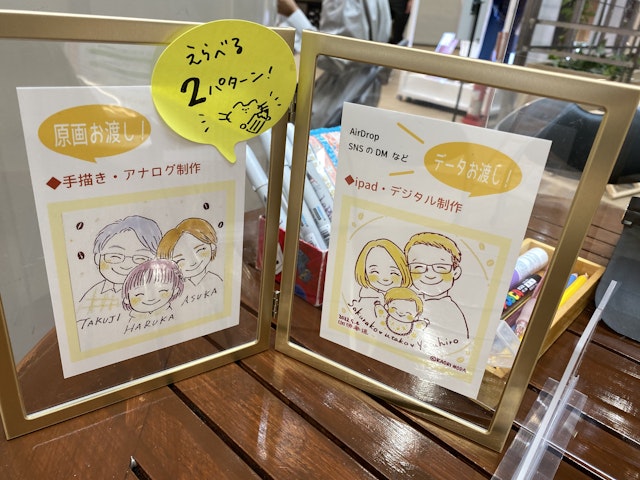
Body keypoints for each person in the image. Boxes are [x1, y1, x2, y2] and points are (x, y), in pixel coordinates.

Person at [278, 0, 392, 128]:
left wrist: (292, 14)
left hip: (340, 95)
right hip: (363, 91)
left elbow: (336, 57)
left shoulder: (344, 3)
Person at [78, 215, 162, 313]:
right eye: (115, 256)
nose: (126, 266)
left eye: (140, 258)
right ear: (97, 258)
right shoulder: (91, 297)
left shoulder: (159, 293)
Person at [404, 232, 469, 353]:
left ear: (455, 272)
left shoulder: (450, 313)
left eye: (441, 267)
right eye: (418, 267)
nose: (429, 275)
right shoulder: (411, 301)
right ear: (408, 271)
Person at [157, 218, 224, 310]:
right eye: (180, 260)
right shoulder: (174, 290)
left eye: (200, 250)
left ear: (212, 246)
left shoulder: (216, 280)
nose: (192, 263)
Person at [350, 238, 411, 319]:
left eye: (393, 272)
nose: (385, 278)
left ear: (403, 273)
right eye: (375, 272)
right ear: (365, 273)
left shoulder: (408, 299)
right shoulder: (366, 299)